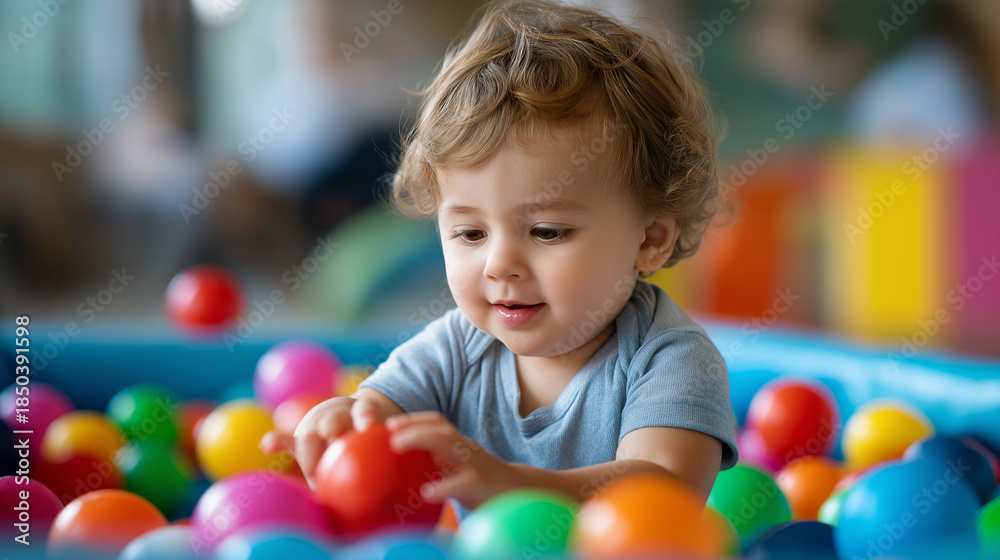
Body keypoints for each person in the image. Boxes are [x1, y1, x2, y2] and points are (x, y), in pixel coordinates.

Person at [262, 0, 738, 509]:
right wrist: (339, 434)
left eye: (548, 232)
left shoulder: (670, 359)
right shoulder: (454, 350)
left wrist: (510, 485)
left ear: (650, 240)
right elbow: (375, 415)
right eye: (469, 234)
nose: (499, 265)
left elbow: (663, 491)